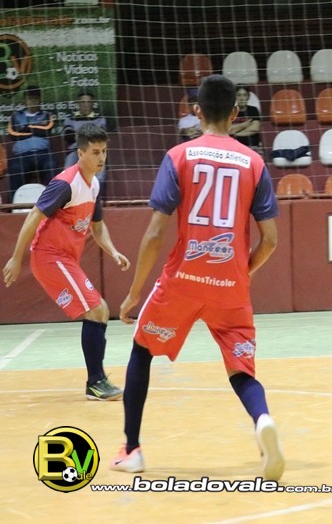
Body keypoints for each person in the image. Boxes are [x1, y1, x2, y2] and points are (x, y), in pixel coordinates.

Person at [113, 75, 283, 479]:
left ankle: (132, 450)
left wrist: (134, 293)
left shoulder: (179, 156)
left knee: (142, 350)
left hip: (183, 280)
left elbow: (155, 234)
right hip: (231, 286)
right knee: (241, 370)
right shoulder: (254, 162)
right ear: (236, 113)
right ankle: (263, 420)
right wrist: (240, 273)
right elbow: (271, 241)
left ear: (196, 112)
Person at [2, 123, 129, 400]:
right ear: (80, 153)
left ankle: (96, 381)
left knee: (99, 312)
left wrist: (113, 251)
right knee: (97, 309)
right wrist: (16, 258)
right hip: (49, 257)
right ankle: (96, 383)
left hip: (65, 259)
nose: (101, 157)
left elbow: (98, 227)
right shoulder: (66, 183)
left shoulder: (94, 185)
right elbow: (34, 215)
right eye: (95, 152)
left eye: (104, 151)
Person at [7, 86, 57, 195]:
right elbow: (12, 134)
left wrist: (26, 128)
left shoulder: (47, 115)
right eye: (30, 98)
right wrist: (36, 129)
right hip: (21, 154)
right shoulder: (15, 116)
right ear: (24, 100)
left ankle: (54, 201)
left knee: (51, 166)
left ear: (40, 100)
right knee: (15, 169)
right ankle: (13, 203)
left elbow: (47, 130)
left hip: (43, 153)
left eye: (35, 98)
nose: (33, 100)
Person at [62, 90, 108, 184]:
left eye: (88, 102)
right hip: (76, 151)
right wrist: (91, 134)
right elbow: (68, 136)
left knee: (99, 178)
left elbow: (100, 137)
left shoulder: (100, 119)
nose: (85, 105)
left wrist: (78, 135)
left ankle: (95, 194)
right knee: (67, 177)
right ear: (78, 104)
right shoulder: (70, 119)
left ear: (93, 104)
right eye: (83, 102)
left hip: (95, 152)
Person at [230, 86, 262, 154]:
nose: (241, 98)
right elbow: (228, 129)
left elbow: (255, 128)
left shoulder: (253, 110)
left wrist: (236, 133)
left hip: (252, 146)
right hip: (235, 147)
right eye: (239, 95)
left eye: (244, 95)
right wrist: (244, 125)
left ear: (248, 97)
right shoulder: (231, 111)